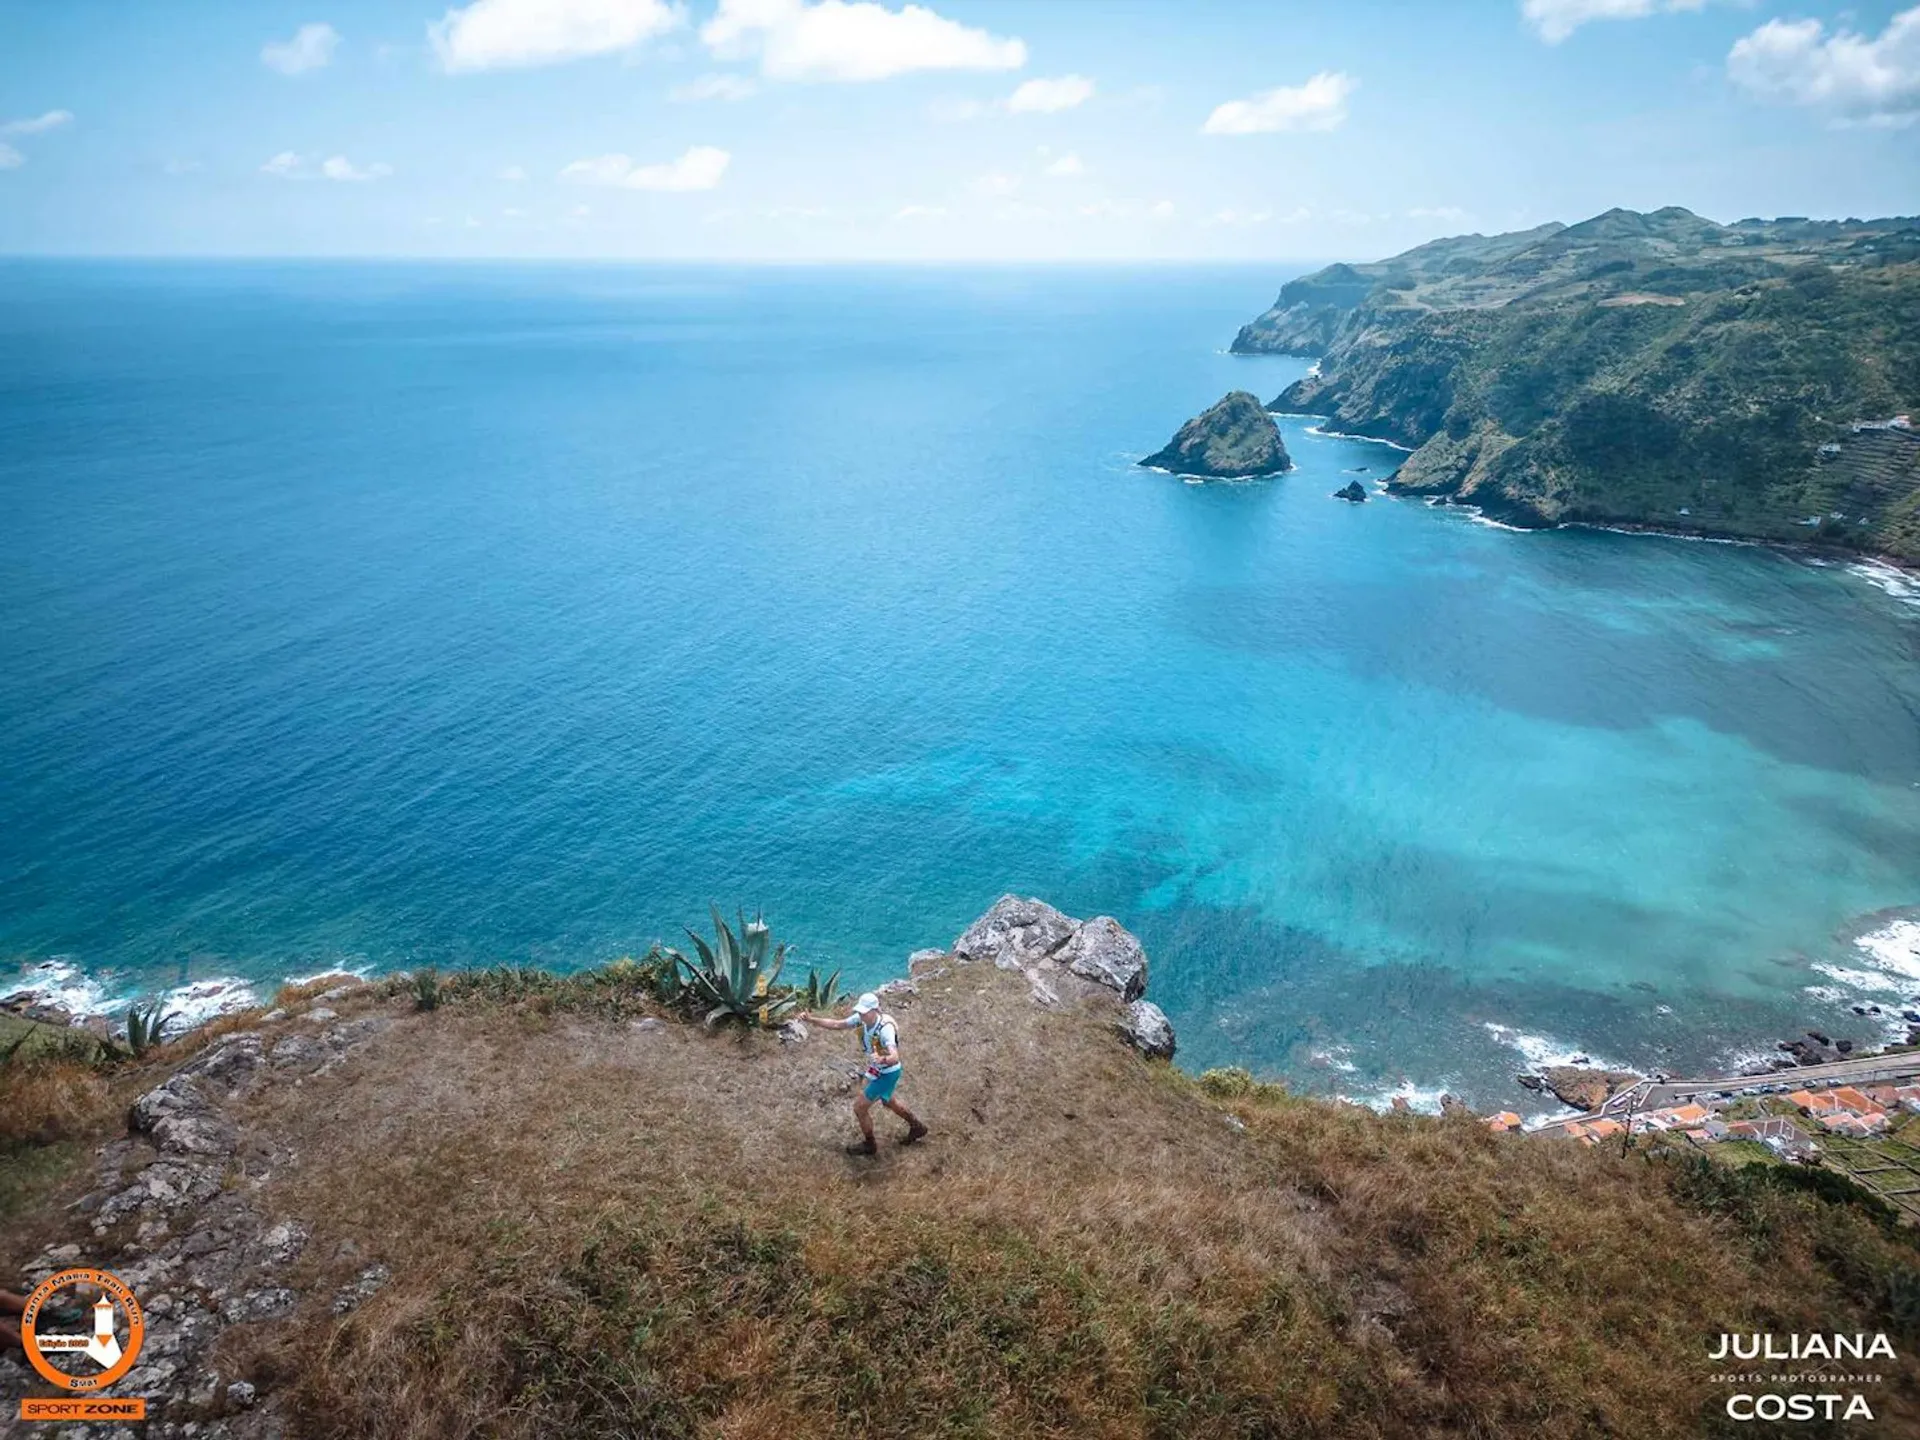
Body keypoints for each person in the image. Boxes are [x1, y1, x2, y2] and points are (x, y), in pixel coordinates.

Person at [804, 991, 928, 1155]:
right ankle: (917, 1126)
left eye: (865, 1012)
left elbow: (895, 1057)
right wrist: (812, 1020)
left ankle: (870, 1145)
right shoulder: (860, 1020)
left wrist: (883, 1059)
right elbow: (837, 1024)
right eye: (860, 1011)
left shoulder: (886, 1029)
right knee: (889, 1101)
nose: (861, 1015)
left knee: (859, 1108)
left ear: (875, 1010)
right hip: (879, 1070)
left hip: (887, 1074)